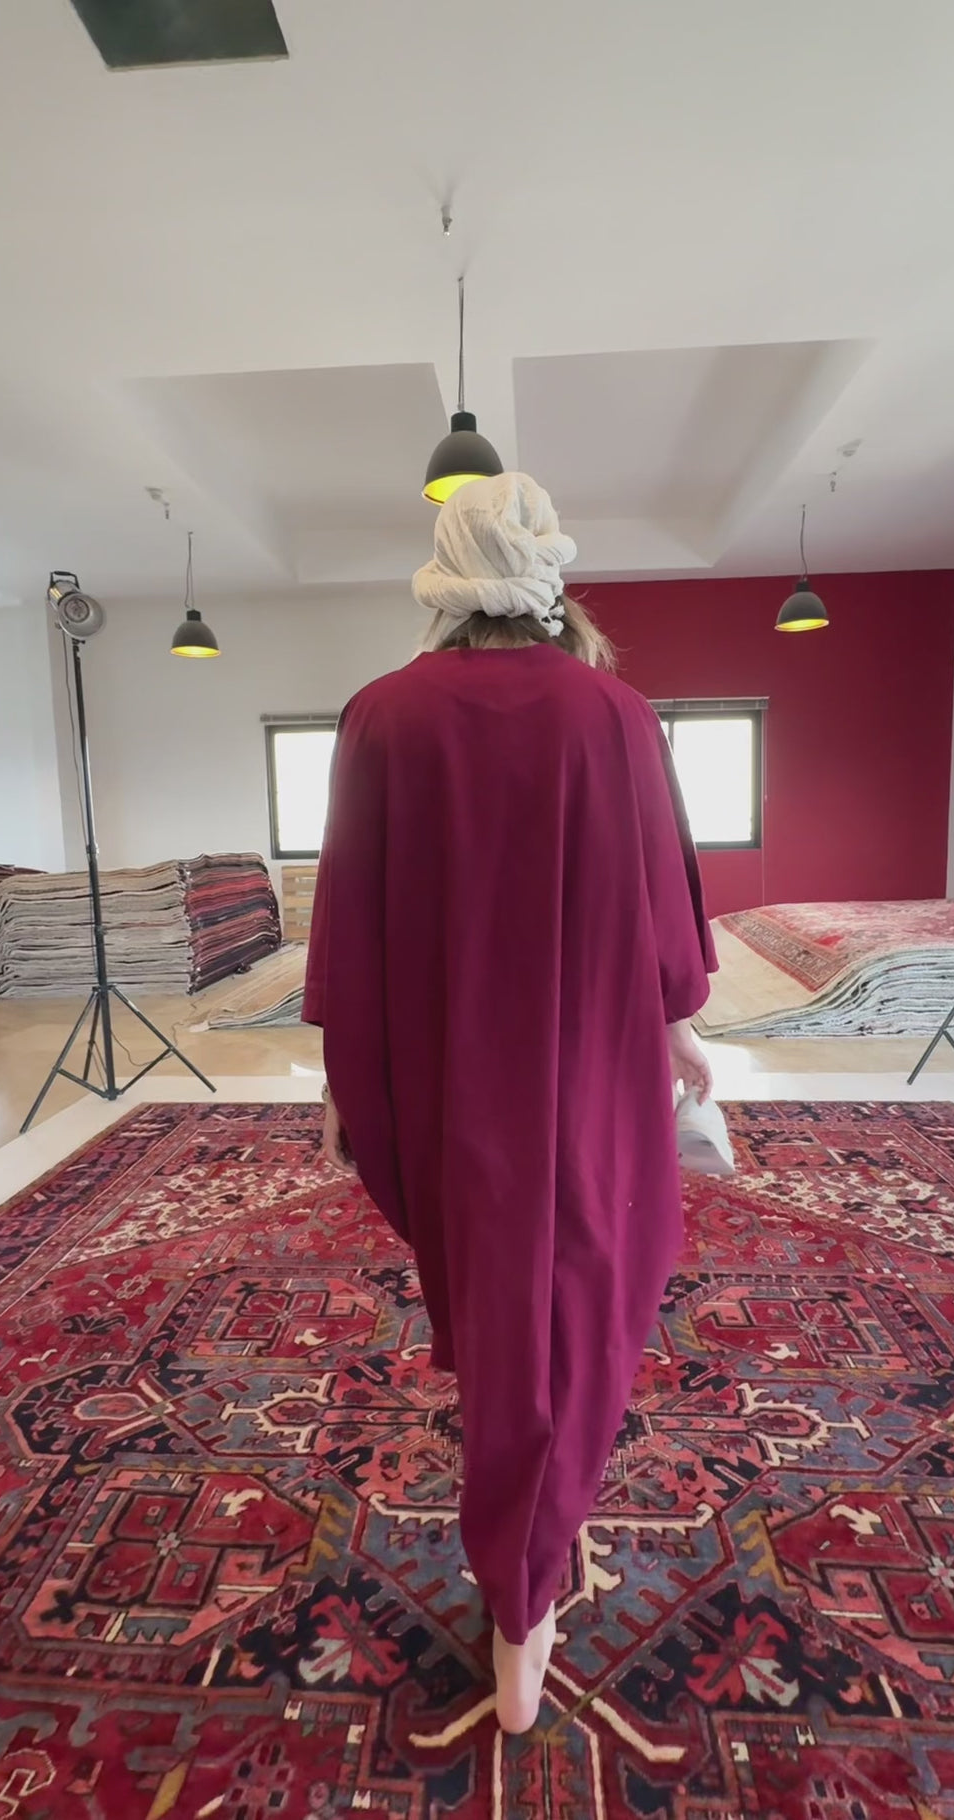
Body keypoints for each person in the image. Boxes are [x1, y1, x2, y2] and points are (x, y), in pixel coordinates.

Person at [303, 473, 715, 1734]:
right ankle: (526, 1600)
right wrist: (683, 1027)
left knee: (496, 1299)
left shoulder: (380, 715)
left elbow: (350, 909)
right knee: (585, 1296)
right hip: (585, 1066)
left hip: (444, 1072)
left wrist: (340, 1080)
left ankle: (520, 1585)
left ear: (444, 573)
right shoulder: (615, 713)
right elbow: (660, 895)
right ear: (551, 575)